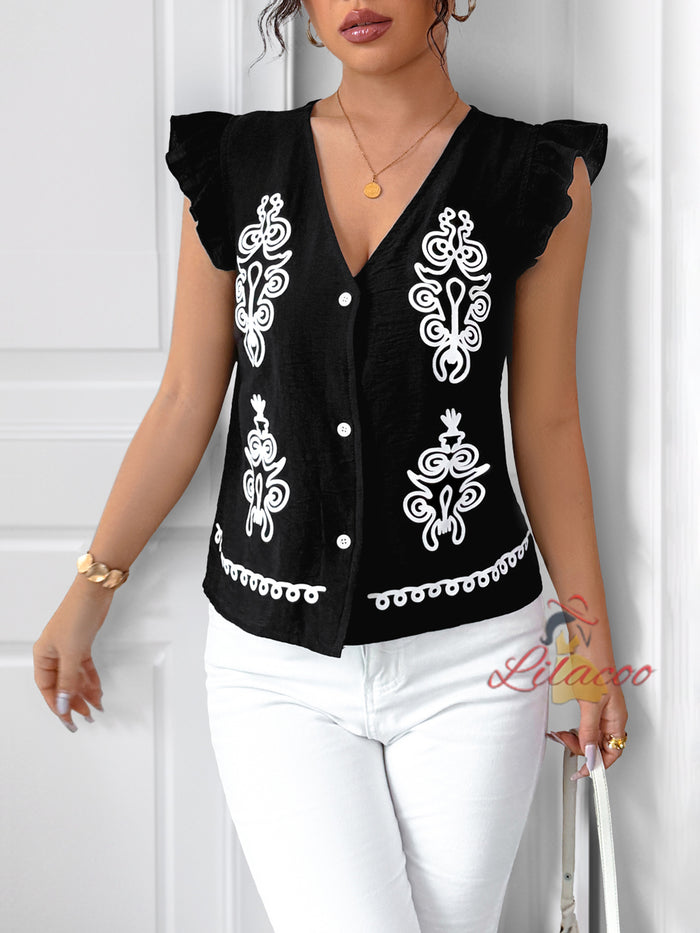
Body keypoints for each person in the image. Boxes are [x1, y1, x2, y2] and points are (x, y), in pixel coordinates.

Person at [32, 2, 629, 931]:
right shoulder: (237, 166)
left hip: (476, 661)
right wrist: (92, 585)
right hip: (274, 668)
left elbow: (547, 424)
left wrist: (588, 644)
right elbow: (187, 398)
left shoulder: (535, 175)